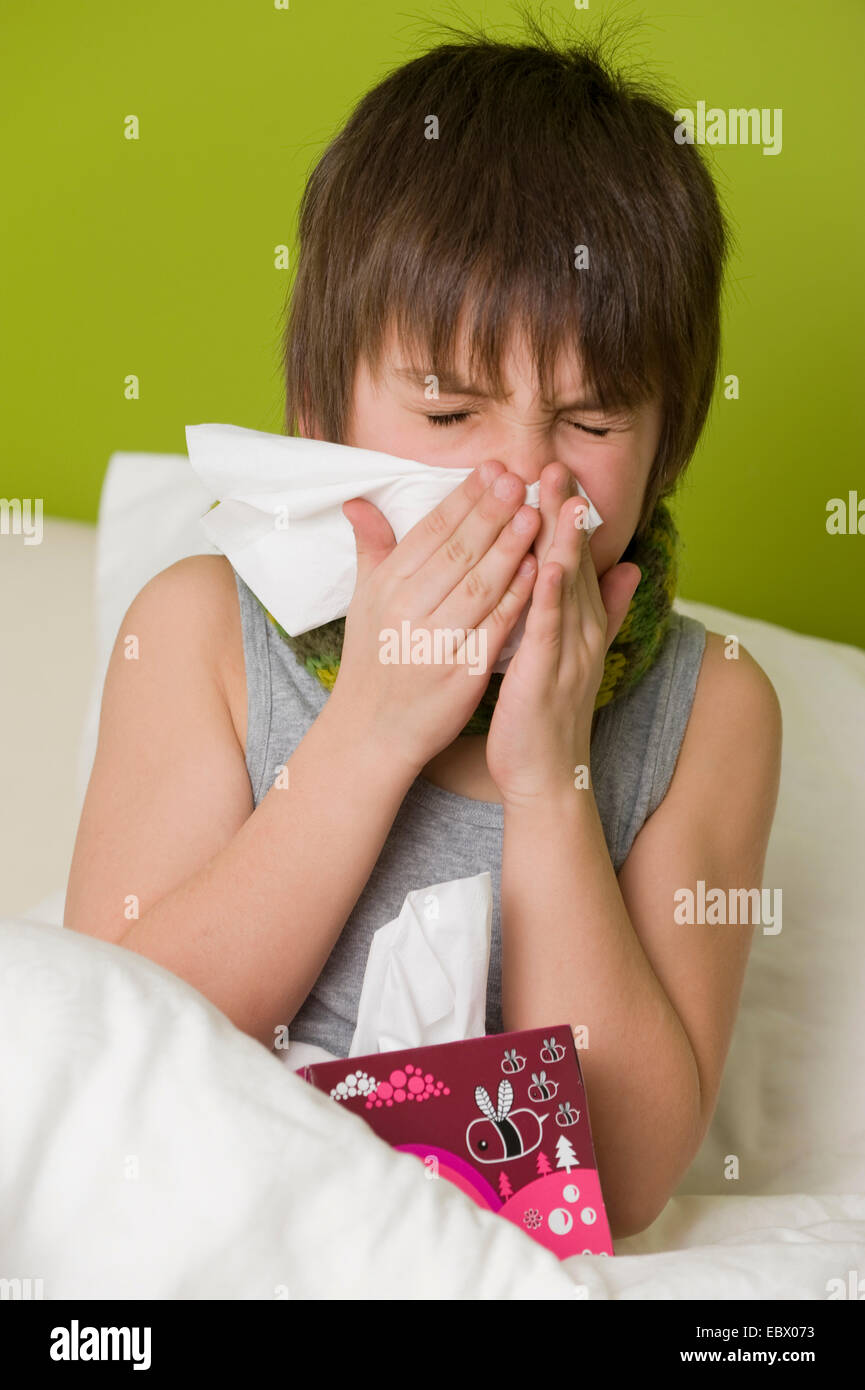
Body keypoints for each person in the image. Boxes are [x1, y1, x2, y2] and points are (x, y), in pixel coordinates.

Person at [65, 16, 782, 1238]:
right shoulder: (198, 636)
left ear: (666, 450)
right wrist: (372, 731)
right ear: (320, 411)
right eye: (449, 414)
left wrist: (551, 779)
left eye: (591, 422)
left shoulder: (712, 706)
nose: (521, 477)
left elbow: (625, 1175)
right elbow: (110, 1057)